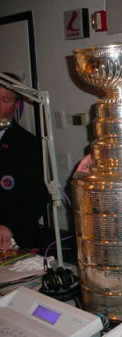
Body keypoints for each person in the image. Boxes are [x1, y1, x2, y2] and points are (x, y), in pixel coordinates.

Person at [0, 73, 48, 251]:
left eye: (5, 100)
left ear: (16, 105)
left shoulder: (29, 145)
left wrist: (9, 227)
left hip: (12, 239)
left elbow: (37, 198)